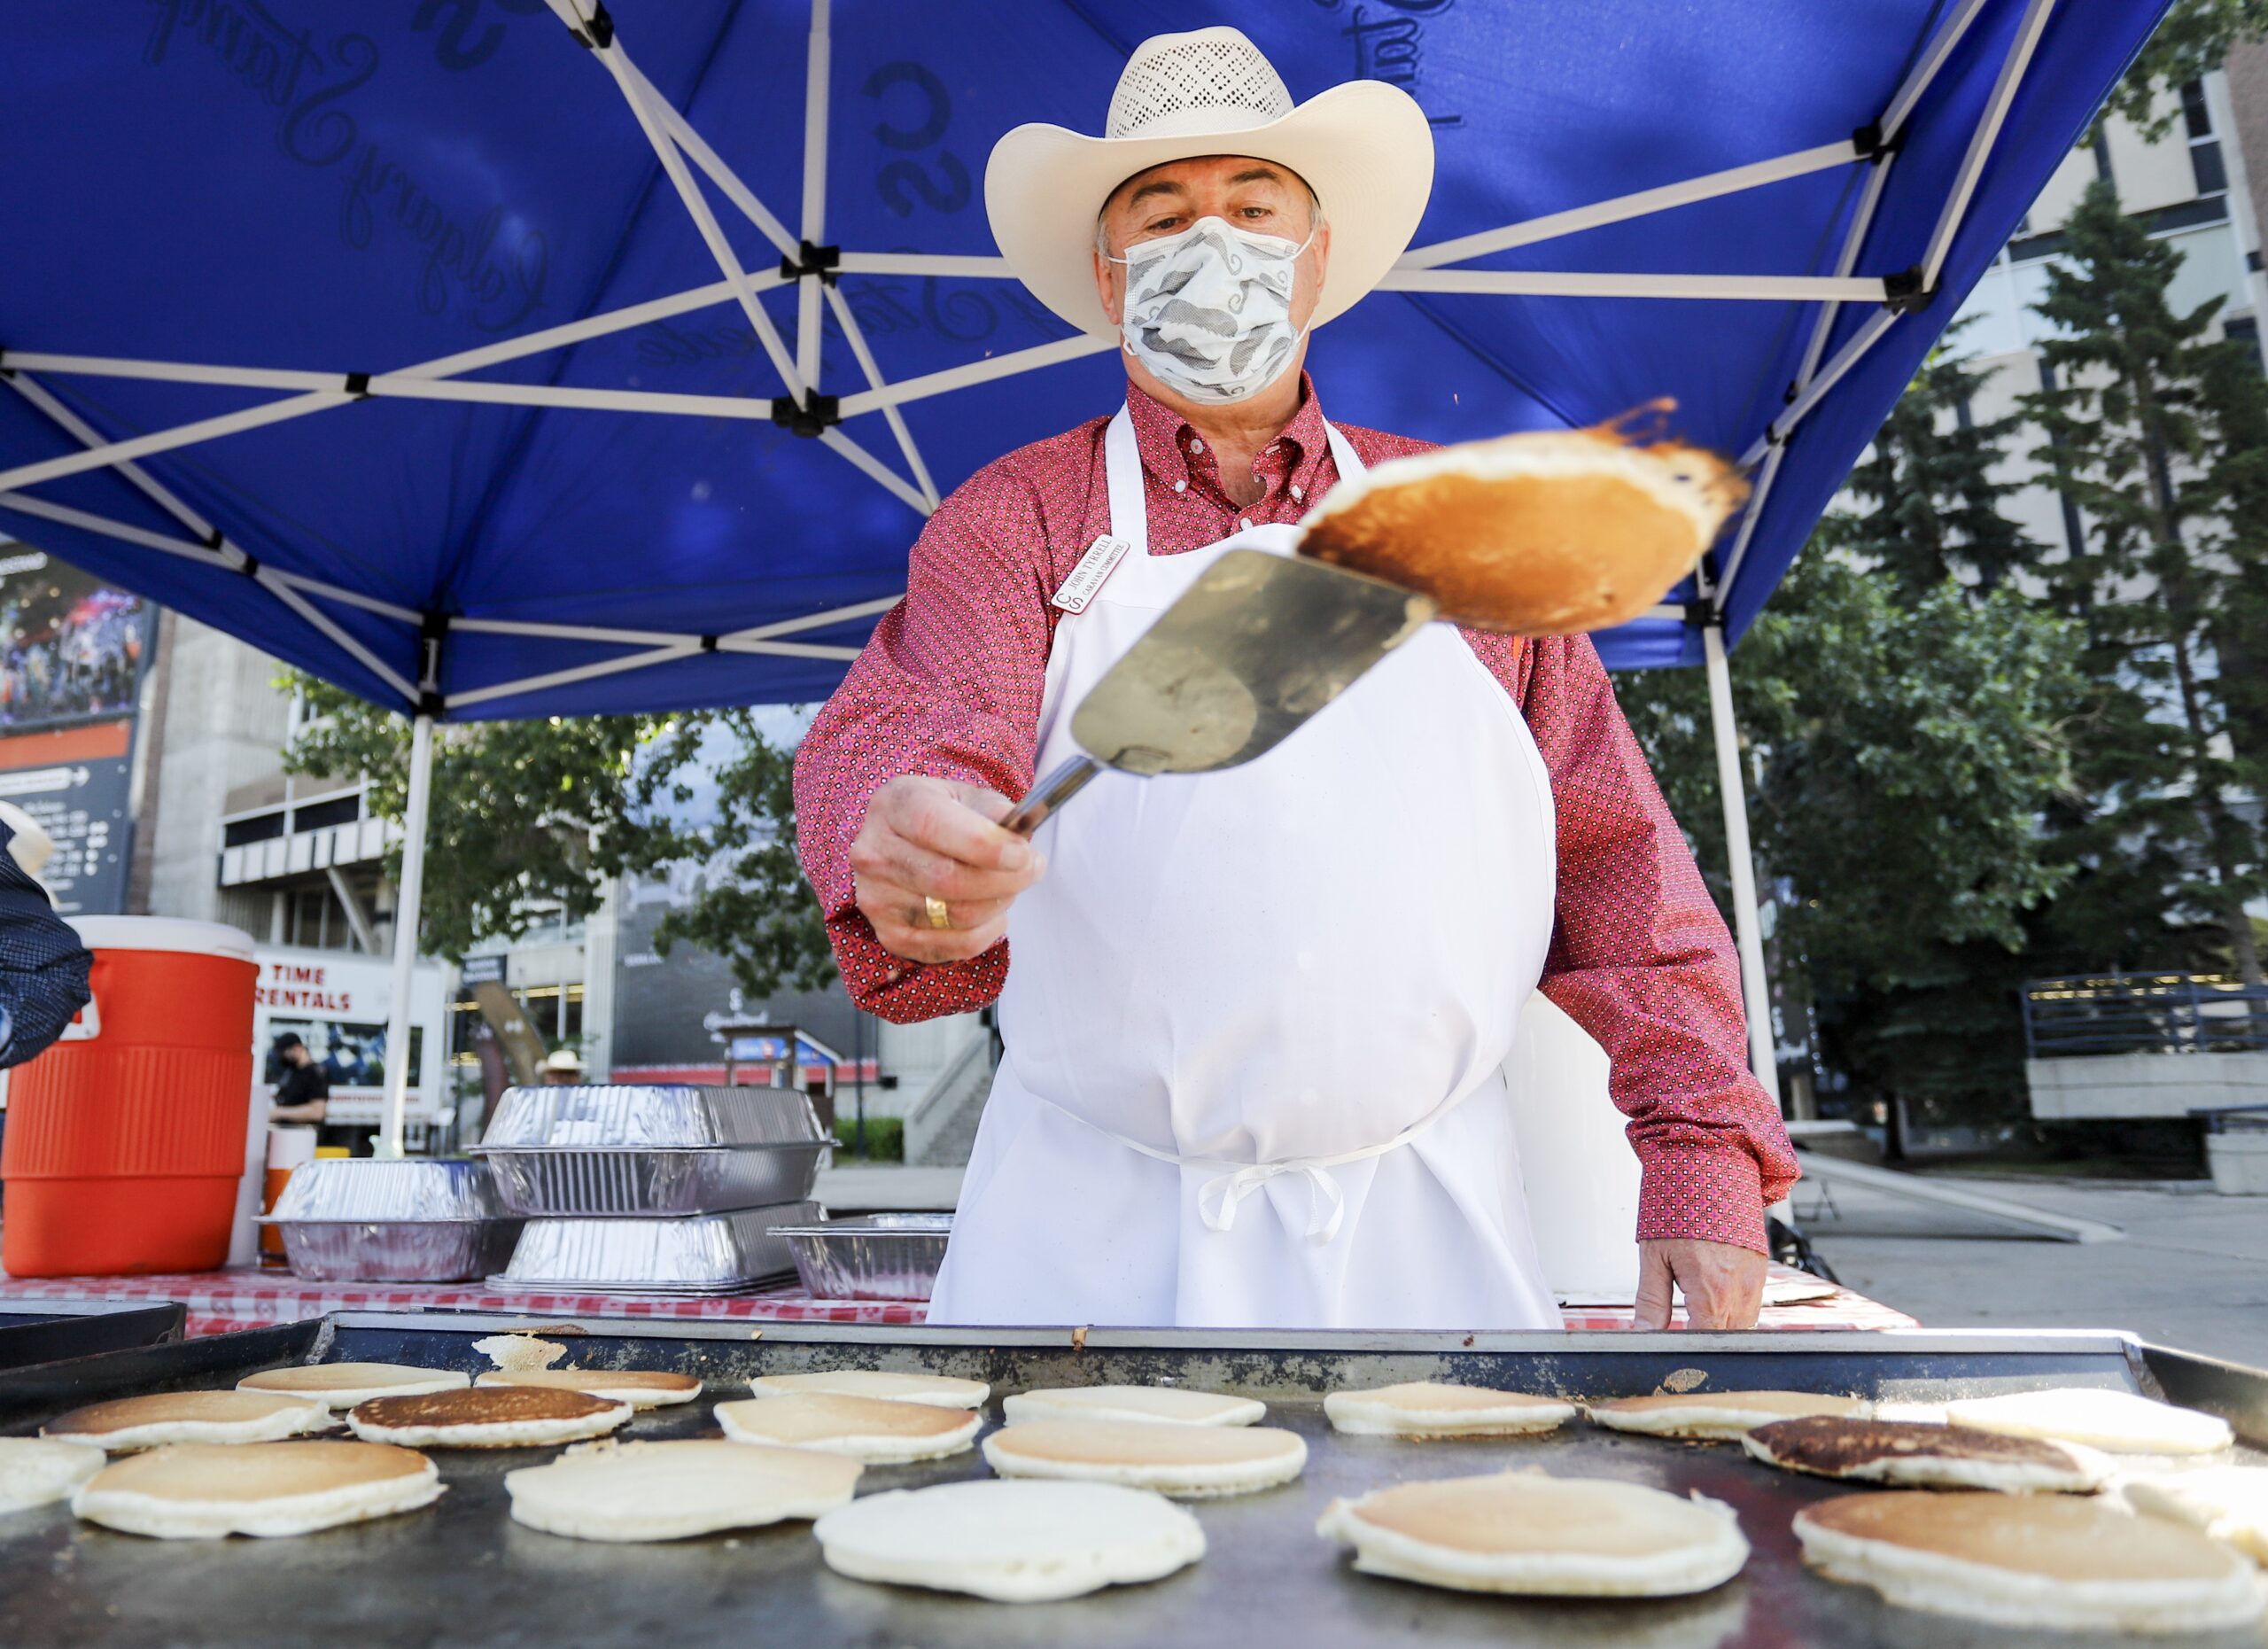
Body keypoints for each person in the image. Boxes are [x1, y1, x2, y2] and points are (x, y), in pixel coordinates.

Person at [794, 27, 1798, 1332]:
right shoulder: (1014, 522)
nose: (1210, 243)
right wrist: (918, 847)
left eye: (1252, 208)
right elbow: (925, 730)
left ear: (1317, 258)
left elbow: (1616, 861)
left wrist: (1700, 1155)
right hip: (1086, 1236)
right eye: (1161, 217)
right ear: (1110, 277)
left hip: (1425, 1224)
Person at [268, 1031, 362, 1155]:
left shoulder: (316, 1073)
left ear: (297, 1048)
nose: (282, 1057)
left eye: (284, 1053)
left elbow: (317, 1111)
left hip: (304, 1140)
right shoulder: (292, 1072)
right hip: (287, 1139)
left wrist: (279, 1113)